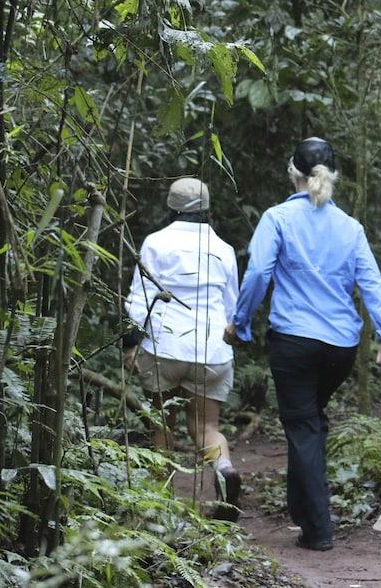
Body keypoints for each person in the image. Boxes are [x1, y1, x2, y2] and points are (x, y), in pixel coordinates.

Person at [225, 137, 381, 552]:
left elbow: (257, 276)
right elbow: (372, 284)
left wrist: (240, 322)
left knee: (302, 425)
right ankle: (303, 512)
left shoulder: (277, 217)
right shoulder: (351, 227)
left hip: (294, 342)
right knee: (308, 421)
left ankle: (319, 529)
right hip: (340, 348)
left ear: (293, 173)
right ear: (333, 176)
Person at [123, 177, 242, 521]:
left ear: (171, 206)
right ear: (207, 207)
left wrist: (131, 346)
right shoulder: (223, 248)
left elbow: (139, 298)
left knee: (162, 425)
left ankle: (162, 508)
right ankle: (224, 466)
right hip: (211, 349)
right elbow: (232, 307)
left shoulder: (155, 243)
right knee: (206, 427)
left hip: (164, 345)